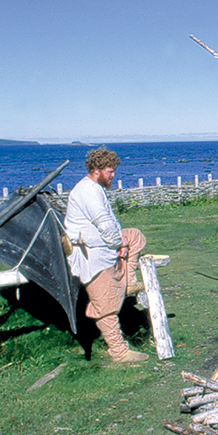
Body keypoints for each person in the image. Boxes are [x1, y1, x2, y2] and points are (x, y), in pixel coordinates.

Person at [64, 147, 149, 363]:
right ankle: (118, 351)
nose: (113, 175)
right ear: (96, 170)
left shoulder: (95, 188)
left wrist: (121, 239)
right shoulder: (88, 191)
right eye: (109, 171)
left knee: (136, 237)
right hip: (90, 253)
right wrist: (118, 242)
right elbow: (103, 222)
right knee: (105, 303)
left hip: (104, 245)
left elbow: (110, 223)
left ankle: (128, 280)